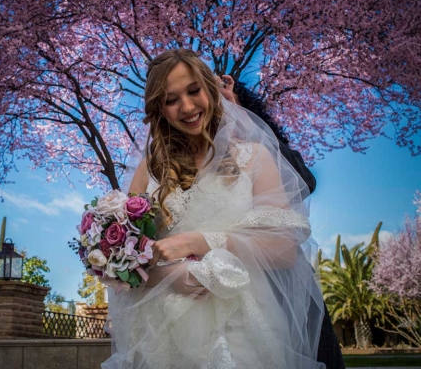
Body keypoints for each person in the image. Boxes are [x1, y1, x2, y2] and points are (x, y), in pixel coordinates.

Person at [102, 49, 326, 369]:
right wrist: (166, 275)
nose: (188, 107)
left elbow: (282, 249)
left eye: (194, 91)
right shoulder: (148, 172)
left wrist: (195, 241)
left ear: (210, 89)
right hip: (161, 333)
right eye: (171, 99)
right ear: (160, 109)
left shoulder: (255, 158)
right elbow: (120, 259)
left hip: (240, 328)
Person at [218, 77, 345, 369]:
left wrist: (244, 121)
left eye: (227, 102)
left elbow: (305, 180)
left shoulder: (263, 150)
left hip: (283, 276)